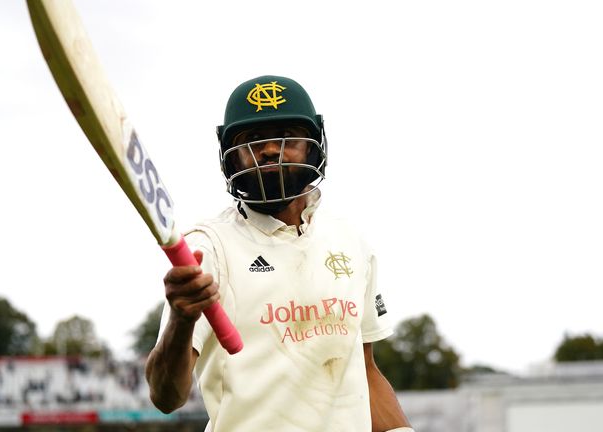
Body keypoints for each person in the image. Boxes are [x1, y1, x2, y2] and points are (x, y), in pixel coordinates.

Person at [145, 75, 414, 432]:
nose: (270, 150)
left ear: (313, 147)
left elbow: (365, 372)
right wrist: (181, 320)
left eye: (285, 135)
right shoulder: (208, 247)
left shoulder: (350, 241)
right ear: (233, 158)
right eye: (253, 140)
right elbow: (166, 397)